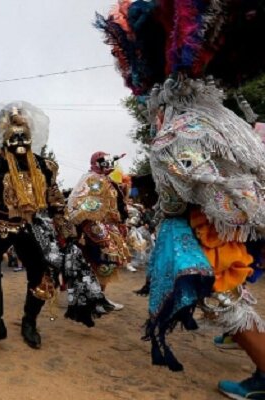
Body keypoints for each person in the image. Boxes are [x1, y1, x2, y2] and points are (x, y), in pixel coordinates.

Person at [96, 1, 265, 397]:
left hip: (208, 229)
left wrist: (171, 206)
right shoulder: (225, 118)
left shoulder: (180, 128)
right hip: (231, 225)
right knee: (232, 295)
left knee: (223, 301)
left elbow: (186, 193)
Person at [0, 101, 74, 349]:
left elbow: (55, 201)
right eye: (13, 137)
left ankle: (30, 323)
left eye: (23, 136)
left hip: (30, 225)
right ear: (4, 138)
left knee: (41, 272)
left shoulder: (44, 167)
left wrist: (66, 231)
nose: (19, 141)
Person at [67, 151, 130, 311]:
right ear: (97, 163)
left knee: (104, 262)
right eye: (104, 161)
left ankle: (97, 298)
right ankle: (94, 299)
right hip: (94, 227)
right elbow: (84, 202)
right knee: (101, 260)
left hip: (107, 227)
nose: (108, 164)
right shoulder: (92, 179)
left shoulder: (105, 180)